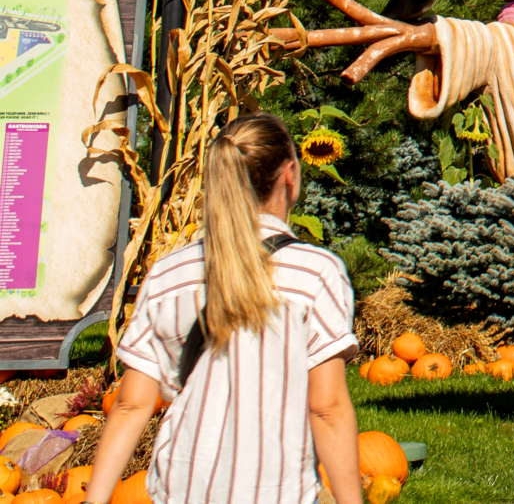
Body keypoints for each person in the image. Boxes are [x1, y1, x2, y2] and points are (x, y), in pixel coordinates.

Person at [86, 114, 362, 504]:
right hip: (276, 490)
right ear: (291, 174)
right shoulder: (315, 274)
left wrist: (93, 501)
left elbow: (132, 404)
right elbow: (327, 408)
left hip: (183, 487)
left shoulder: (169, 274)